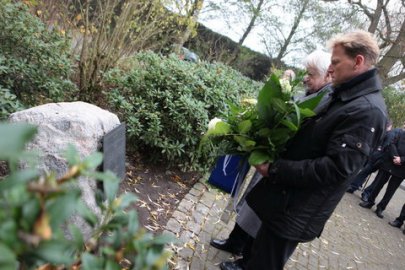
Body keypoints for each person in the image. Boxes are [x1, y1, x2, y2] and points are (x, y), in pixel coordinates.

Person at [220, 30, 387, 270]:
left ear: (358, 61)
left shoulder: (367, 111)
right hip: (285, 200)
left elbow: (335, 169)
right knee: (257, 255)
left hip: (296, 208)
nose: (330, 69)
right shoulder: (347, 97)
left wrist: (275, 169)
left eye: (336, 62)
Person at [359, 126, 405, 218]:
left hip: (402, 169)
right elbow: (392, 144)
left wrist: (401, 159)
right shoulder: (400, 133)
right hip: (389, 163)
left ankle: (381, 208)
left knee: (390, 191)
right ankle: (370, 201)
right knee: (378, 184)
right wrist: (395, 157)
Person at [346, 120, 398, 193]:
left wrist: (376, 154)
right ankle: (355, 186)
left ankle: (355, 186)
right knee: (365, 172)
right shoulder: (389, 133)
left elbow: (384, 147)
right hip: (378, 157)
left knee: (365, 172)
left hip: (378, 158)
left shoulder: (390, 134)